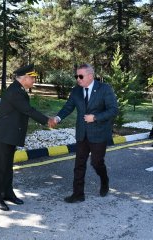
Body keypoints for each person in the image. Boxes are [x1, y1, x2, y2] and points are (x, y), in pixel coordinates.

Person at [0, 63, 57, 211]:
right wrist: (47, 120)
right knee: (0, 168)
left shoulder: (18, 89)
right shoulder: (15, 92)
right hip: (3, 135)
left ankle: (7, 193)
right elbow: (28, 110)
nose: (34, 81)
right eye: (32, 78)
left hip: (9, 135)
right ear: (25, 78)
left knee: (7, 167)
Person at [55, 64, 118, 203]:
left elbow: (113, 110)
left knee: (96, 163)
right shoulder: (76, 91)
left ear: (90, 76)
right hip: (82, 133)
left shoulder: (104, 89)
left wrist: (95, 117)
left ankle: (104, 180)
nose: (78, 79)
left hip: (99, 133)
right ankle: (78, 194)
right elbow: (68, 107)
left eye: (81, 76)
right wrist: (57, 118)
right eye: (76, 76)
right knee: (79, 164)